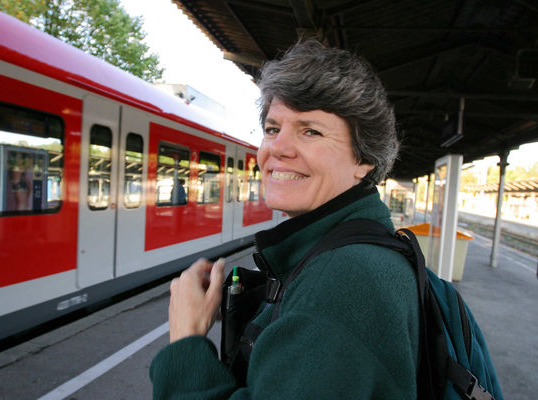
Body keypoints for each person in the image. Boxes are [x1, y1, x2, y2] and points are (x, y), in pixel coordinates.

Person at [150, 40, 419, 399]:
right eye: (273, 128)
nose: (277, 148)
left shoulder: (344, 280)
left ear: (364, 160)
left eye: (311, 131)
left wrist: (185, 343)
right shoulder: (358, 253)